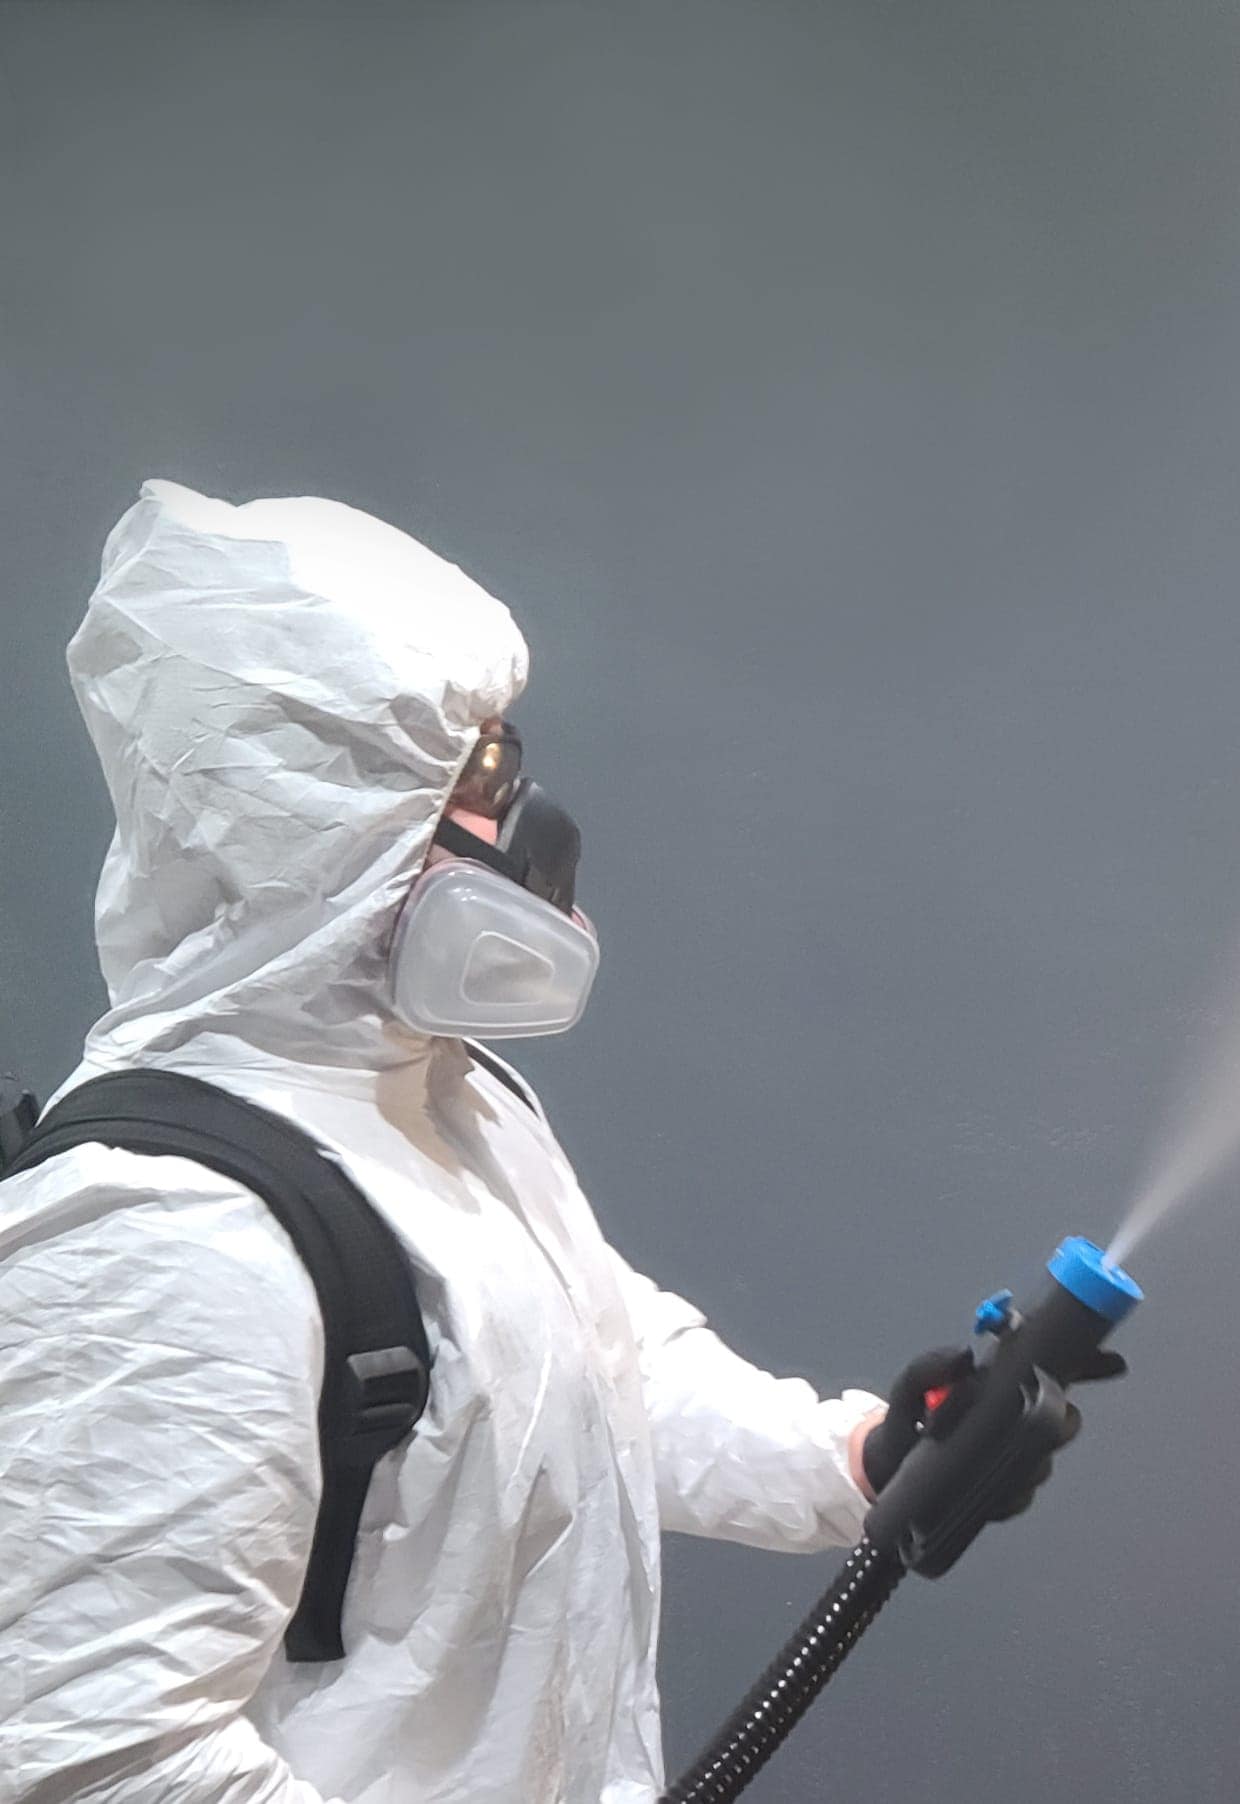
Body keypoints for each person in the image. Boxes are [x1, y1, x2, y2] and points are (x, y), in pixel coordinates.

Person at [0, 480, 1114, 1803]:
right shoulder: (172, 1236)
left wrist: (854, 1462)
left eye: (502, 756)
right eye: (473, 774)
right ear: (319, 823)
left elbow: (595, 1367)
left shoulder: (438, 1097)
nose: (522, 826)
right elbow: (99, 1755)